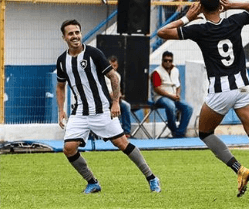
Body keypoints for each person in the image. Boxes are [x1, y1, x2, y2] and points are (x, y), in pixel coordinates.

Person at [157, 0, 249, 201]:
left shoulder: (199, 29)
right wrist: (231, 5)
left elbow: (162, 32)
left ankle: (239, 169)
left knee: (205, 132)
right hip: (242, 86)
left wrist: (187, 18)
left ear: (201, 8)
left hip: (220, 89)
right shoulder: (234, 21)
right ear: (220, 6)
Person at [56, 19, 161, 194]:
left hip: (102, 110)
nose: (75, 36)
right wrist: (61, 110)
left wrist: (115, 102)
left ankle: (152, 177)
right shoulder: (61, 61)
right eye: (70, 33)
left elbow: (114, 77)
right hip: (80, 112)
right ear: (64, 37)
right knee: (68, 148)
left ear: (80, 34)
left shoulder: (93, 54)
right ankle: (92, 182)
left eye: (77, 32)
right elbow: (60, 87)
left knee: (122, 143)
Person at [151, 51, 193, 138]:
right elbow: (157, 89)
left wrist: (177, 94)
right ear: (162, 60)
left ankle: (180, 132)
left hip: (173, 97)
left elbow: (178, 85)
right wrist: (171, 96)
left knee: (188, 108)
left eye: (170, 61)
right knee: (170, 106)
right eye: (166, 60)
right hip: (160, 98)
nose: (168, 62)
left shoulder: (176, 70)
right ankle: (173, 129)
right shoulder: (156, 72)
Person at [104, 55, 132, 138]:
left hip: (115, 99)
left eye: (114, 65)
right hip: (105, 99)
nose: (113, 67)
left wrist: (118, 95)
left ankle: (126, 132)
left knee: (126, 106)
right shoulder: (102, 75)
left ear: (117, 66)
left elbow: (118, 89)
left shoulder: (117, 75)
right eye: (111, 65)